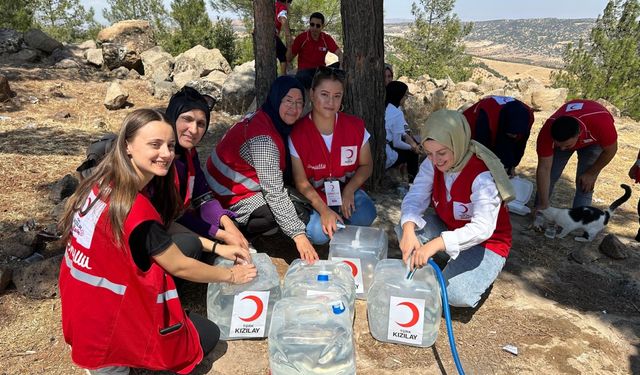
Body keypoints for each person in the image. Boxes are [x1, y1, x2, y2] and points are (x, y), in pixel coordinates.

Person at [58, 109, 256, 375]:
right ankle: (117, 363)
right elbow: (180, 266)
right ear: (127, 145)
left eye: (170, 146)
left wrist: (218, 246)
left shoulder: (104, 183)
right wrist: (232, 275)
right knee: (206, 336)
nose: (166, 153)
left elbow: (160, 231)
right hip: (110, 322)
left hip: (83, 305)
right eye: (155, 144)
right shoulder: (135, 209)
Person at [398, 109, 515, 308]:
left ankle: (483, 269)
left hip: (486, 243)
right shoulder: (432, 162)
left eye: (442, 153)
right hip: (450, 228)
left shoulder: (482, 175)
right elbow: (416, 196)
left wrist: (435, 244)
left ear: (457, 143)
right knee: (405, 229)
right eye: (429, 153)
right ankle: (449, 261)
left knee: (454, 295)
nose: (436, 160)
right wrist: (408, 229)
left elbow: (482, 229)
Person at [205, 76, 319, 263]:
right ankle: (238, 230)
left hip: (225, 184)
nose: (294, 108)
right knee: (291, 211)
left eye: (299, 102)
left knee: (289, 205)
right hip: (225, 195)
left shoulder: (264, 116)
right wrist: (299, 235)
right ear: (276, 99)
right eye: (288, 101)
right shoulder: (264, 139)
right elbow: (274, 192)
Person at [289, 67, 377, 245]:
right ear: (312, 94)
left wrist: (350, 190)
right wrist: (324, 211)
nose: (331, 101)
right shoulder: (297, 133)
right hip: (317, 197)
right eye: (324, 94)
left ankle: (340, 230)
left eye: (337, 96)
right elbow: (301, 182)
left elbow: (367, 165)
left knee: (367, 212)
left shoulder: (355, 126)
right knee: (317, 234)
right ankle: (334, 225)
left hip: (346, 194)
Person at [166, 86, 249, 252]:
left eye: (201, 124)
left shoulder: (189, 153)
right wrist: (221, 235)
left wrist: (226, 224)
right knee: (191, 246)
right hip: (162, 227)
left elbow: (202, 196)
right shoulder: (161, 160)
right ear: (172, 117)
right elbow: (169, 218)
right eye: (187, 119)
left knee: (230, 224)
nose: (194, 130)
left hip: (181, 218)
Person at [535, 99, 617, 211]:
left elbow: (611, 151)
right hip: (571, 133)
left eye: (567, 146)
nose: (562, 149)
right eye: (558, 145)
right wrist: (543, 204)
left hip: (594, 141)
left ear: (579, 134)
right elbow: (544, 169)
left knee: (585, 183)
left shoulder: (601, 124)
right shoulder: (547, 132)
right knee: (551, 174)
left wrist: (591, 173)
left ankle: (580, 221)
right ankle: (539, 213)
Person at [462, 96, 534, 177]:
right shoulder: (486, 117)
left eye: (517, 133)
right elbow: (482, 150)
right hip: (468, 130)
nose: (515, 136)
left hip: (501, 124)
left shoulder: (528, 116)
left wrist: (512, 165)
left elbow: (520, 145)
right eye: (512, 133)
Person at [287, 12, 343, 89]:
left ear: (322, 26)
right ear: (309, 24)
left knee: (338, 65)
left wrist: (342, 61)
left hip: (320, 71)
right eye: (312, 24)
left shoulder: (326, 38)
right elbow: (289, 59)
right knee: (302, 76)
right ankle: (318, 88)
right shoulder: (301, 38)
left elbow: (339, 53)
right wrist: (290, 46)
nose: (314, 28)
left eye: (318, 25)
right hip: (305, 72)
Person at [385, 81, 421, 183]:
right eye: (405, 95)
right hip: (387, 154)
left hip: (382, 147)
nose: (405, 98)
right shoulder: (396, 113)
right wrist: (413, 148)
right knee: (412, 154)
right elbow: (397, 143)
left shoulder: (386, 108)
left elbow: (404, 132)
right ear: (399, 95)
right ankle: (412, 182)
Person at [275, 0, 293, 75]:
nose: (289, 6)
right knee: (284, 54)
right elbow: (283, 18)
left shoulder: (274, 4)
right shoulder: (282, 7)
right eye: (290, 3)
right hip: (272, 35)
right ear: (286, 1)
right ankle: (283, 76)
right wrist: (288, 36)